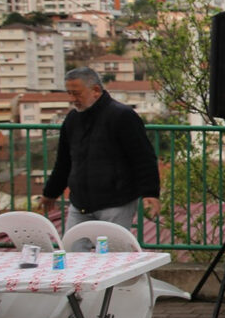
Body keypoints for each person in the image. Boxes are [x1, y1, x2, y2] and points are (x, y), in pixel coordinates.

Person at [40, 67, 160, 236]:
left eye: (77, 93)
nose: (73, 99)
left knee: (112, 256)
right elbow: (64, 162)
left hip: (116, 202)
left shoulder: (122, 116)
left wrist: (150, 193)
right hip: (80, 203)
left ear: (96, 90)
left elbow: (143, 157)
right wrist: (50, 192)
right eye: (69, 93)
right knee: (73, 254)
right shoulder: (72, 120)